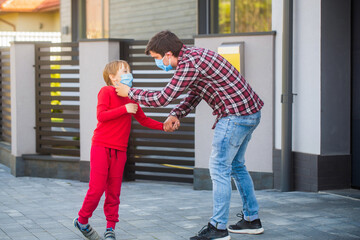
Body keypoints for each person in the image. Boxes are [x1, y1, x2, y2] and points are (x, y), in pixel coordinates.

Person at [116, 30, 265, 240]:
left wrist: (130, 92)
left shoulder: (188, 64)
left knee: (219, 169)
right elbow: (196, 92)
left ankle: (218, 228)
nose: (158, 64)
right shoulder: (194, 56)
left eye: (157, 59)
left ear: (168, 54)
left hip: (234, 117)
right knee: (236, 166)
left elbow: (162, 98)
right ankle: (251, 220)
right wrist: (177, 113)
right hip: (250, 113)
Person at [73, 60, 164, 240]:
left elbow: (144, 120)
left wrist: (164, 126)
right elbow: (101, 116)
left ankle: (110, 229)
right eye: (124, 70)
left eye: (129, 70)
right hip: (101, 146)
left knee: (114, 192)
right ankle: (82, 220)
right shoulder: (106, 91)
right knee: (97, 189)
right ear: (112, 77)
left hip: (120, 151)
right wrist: (124, 109)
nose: (128, 73)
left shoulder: (132, 97)